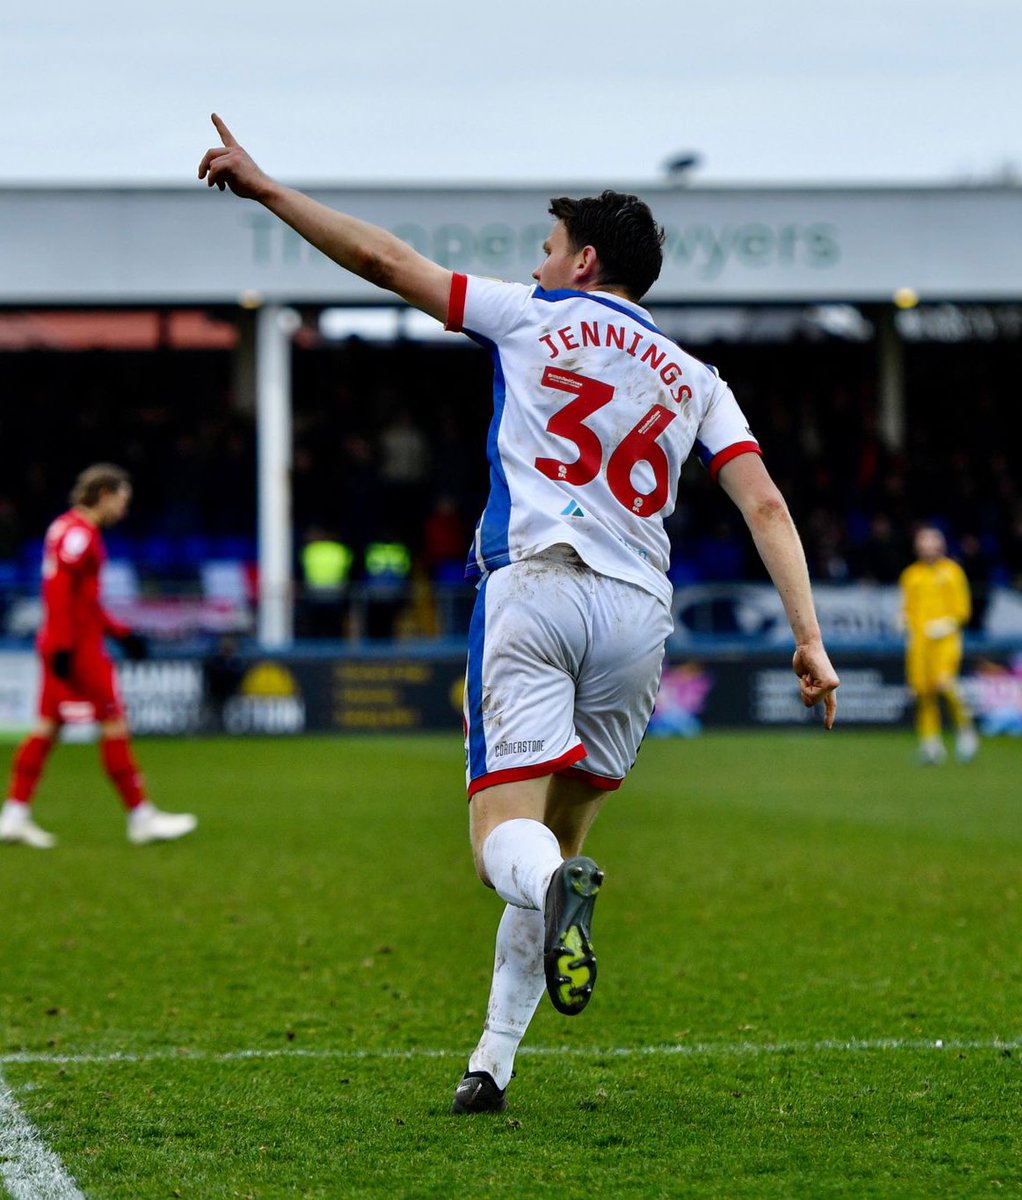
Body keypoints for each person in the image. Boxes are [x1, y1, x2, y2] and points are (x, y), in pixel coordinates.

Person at [198, 114, 839, 1113]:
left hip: (534, 585)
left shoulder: (534, 314)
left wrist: (271, 190)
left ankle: (547, 910)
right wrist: (808, 636)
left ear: (584, 263)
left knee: (506, 837)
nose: (535, 264)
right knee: (559, 841)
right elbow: (764, 503)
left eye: (546, 249)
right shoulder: (701, 381)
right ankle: (492, 1062)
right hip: (638, 614)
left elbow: (382, 259)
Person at [0, 465, 199, 848]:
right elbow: (59, 593)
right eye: (122, 500)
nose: (123, 511)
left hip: (65, 640)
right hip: (76, 647)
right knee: (113, 723)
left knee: (47, 726)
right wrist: (63, 646)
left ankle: (14, 814)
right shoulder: (80, 536)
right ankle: (141, 817)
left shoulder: (64, 527)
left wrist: (122, 634)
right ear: (104, 493)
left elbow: (83, 600)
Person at [898, 525, 978, 764]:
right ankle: (930, 743)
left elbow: (963, 610)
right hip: (919, 644)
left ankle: (965, 731)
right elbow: (908, 609)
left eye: (932, 541)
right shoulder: (911, 575)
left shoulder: (952, 572)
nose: (928, 547)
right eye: (923, 542)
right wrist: (902, 620)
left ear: (940, 545)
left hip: (945, 641)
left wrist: (947, 623)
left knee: (945, 685)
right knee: (923, 693)